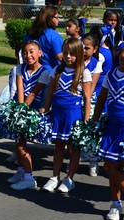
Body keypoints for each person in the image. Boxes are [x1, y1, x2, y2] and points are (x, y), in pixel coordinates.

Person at [42, 38, 92, 193]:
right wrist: (45, 109)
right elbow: (50, 92)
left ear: (78, 54)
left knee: (73, 148)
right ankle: (54, 177)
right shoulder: (57, 70)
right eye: (65, 53)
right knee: (58, 146)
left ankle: (69, 178)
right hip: (57, 114)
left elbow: (87, 97)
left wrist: (87, 119)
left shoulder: (84, 72)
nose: (68, 56)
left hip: (73, 115)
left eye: (72, 54)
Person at [92, 43, 124, 220]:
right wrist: (94, 121)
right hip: (112, 128)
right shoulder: (111, 74)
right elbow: (101, 100)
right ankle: (116, 204)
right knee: (110, 167)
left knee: (119, 167)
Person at [7, 40, 49, 190]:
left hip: (31, 111)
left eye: (32, 51)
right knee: (18, 143)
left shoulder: (45, 72)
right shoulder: (19, 68)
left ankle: (29, 177)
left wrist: (23, 112)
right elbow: (19, 89)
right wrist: (19, 110)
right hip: (20, 108)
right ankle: (20, 171)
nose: (28, 55)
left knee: (21, 145)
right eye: (25, 52)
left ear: (40, 53)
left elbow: (33, 93)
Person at [82, 32, 102, 177]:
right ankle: (78, 154)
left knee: (91, 131)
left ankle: (93, 160)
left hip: (90, 100)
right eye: (82, 47)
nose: (84, 50)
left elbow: (92, 87)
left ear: (94, 49)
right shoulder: (76, 61)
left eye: (87, 48)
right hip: (77, 100)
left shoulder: (97, 64)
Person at [24, 5, 63, 72]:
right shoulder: (53, 35)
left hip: (32, 71)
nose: (58, 19)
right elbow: (60, 56)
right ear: (49, 19)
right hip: (50, 72)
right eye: (57, 17)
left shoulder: (29, 34)